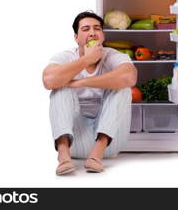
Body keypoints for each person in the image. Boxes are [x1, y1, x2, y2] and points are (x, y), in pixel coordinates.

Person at [42, 11, 137, 175]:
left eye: (97, 28)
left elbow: (129, 77)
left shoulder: (113, 56)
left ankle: (96, 156)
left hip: (109, 142)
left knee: (123, 87)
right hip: (74, 141)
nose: (92, 32)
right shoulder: (64, 57)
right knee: (59, 86)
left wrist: (81, 82)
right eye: (85, 29)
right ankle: (63, 156)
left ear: (103, 35)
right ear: (76, 37)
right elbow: (49, 80)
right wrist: (86, 59)